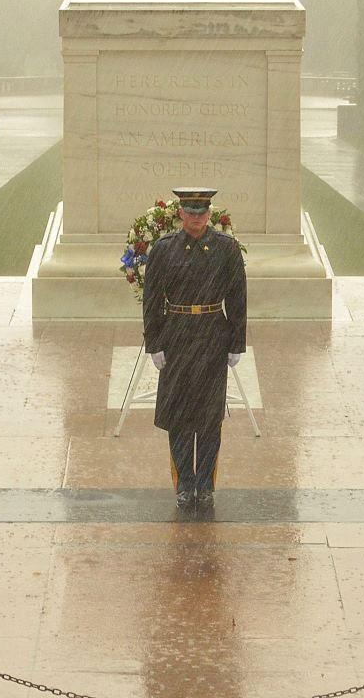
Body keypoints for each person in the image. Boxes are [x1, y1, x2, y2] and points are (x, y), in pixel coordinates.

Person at [142, 187, 247, 511]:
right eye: (191, 213)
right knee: (180, 415)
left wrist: (236, 342)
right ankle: (185, 482)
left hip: (212, 335)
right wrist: (155, 343)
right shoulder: (163, 250)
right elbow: (152, 299)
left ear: (210, 215)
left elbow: (238, 297)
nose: (197, 218)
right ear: (181, 215)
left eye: (202, 213)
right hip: (177, 336)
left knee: (208, 416)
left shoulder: (225, 249)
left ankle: (206, 483)